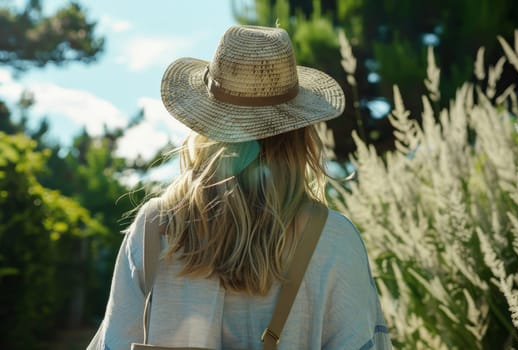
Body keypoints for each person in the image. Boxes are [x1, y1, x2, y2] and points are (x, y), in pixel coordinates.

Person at [88, 25, 391, 350]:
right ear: (301, 133)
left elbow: (115, 343)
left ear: (205, 123)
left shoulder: (155, 229)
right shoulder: (335, 240)